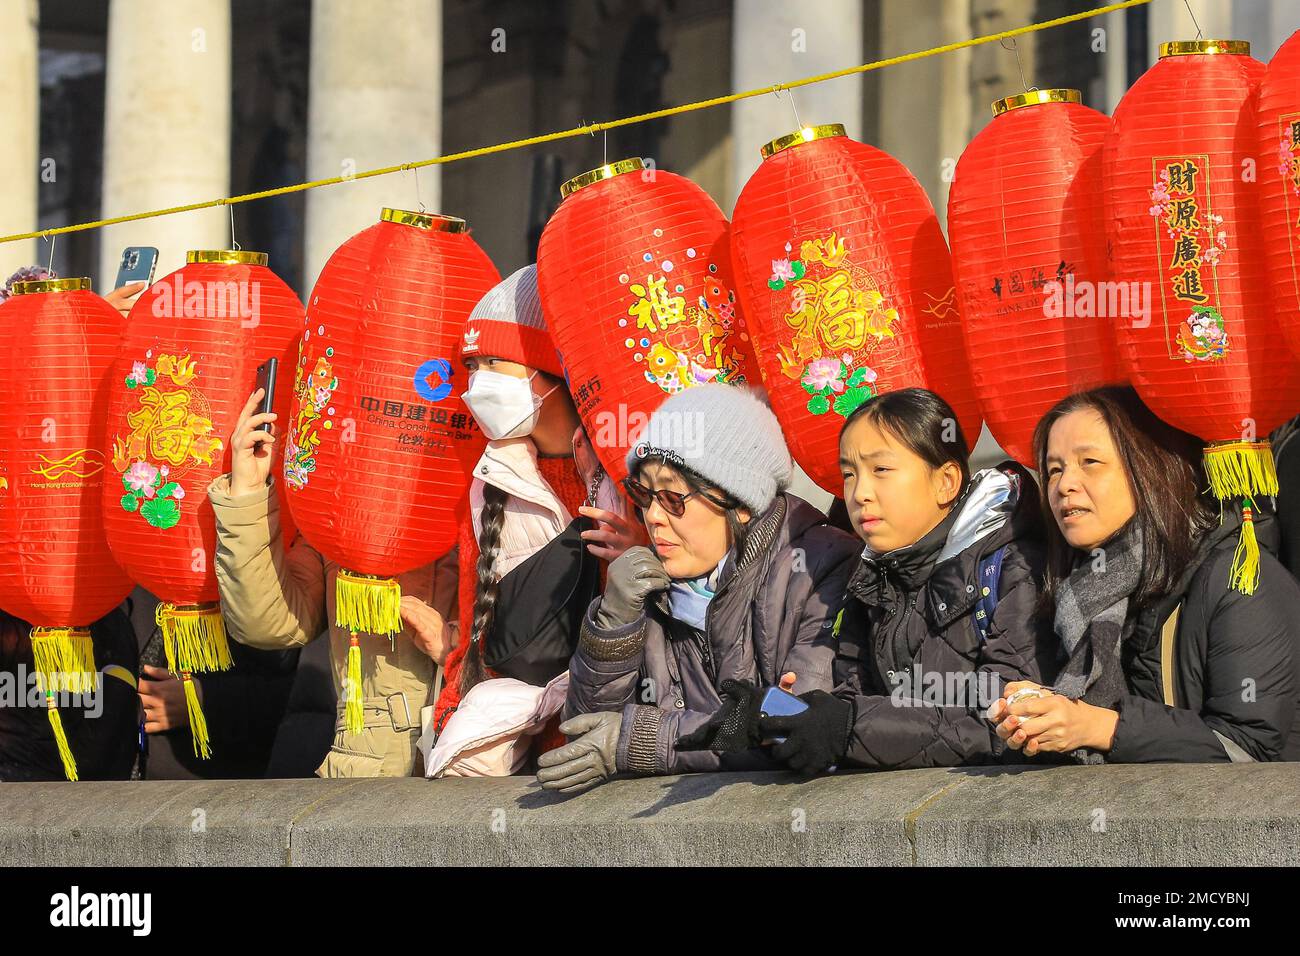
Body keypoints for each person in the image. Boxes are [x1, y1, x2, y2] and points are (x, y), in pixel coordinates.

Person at [537, 383, 859, 792]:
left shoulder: (821, 568)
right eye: (643, 493)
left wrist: (639, 740)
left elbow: (792, 725)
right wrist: (612, 625)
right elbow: (583, 739)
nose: (652, 516)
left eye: (673, 497)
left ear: (741, 504)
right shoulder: (647, 591)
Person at [990, 386, 1300, 763]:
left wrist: (1100, 727)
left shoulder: (1239, 577)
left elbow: (1247, 747)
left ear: (1151, 468)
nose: (1064, 485)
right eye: (1054, 470)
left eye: (1089, 462)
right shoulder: (1073, 587)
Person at [755, 387, 1055, 774]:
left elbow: (1009, 720)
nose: (860, 493)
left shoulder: (1010, 567)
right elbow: (854, 695)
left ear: (946, 482)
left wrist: (848, 726)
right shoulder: (869, 578)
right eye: (849, 474)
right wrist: (795, 717)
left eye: (881, 470)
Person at [426, 264, 641, 776]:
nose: (476, 383)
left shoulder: (625, 469)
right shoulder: (487, 481)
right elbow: (480, 641)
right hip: (516, 737)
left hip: (617, 723)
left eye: (493, 362)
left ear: (550, 372)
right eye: (470, 364)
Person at [208, 393, 459, 778]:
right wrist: (248, 495)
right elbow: (271, 622)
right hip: (368, 769)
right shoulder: (341, 505)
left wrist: (455, 650)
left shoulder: (498, 476)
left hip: (485, 755)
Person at [0, 608, 139, 782]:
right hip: (87, 791)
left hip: (90, 793)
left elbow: (112, 739)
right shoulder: (112, 622)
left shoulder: (111, 627)